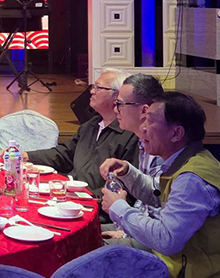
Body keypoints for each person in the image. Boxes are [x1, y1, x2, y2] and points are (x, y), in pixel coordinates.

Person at [101, 93, 220, 278]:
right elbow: (159, 195)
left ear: (176, 134)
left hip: (210, 271)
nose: (142, 127)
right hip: (189, 257)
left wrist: (119, 207)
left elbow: (166, 240)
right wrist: (128, 172)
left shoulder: (192, 179)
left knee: (93, 256)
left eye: (150, 121)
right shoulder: (195, 159)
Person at [24, 68, 138, 198]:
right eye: (93, 87)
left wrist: (85, 197)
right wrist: (27, 156)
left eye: (98, 88)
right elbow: (65, 154)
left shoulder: (130, 135)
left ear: (117, 96)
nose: (92, 91)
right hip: (71, 193)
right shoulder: (91, 125)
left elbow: (125, 187)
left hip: (95, 202)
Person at [99, 72, 168, 245]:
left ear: (144, 110)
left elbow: (162, 227)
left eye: (120, 104)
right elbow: (148, 200)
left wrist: (119, 210)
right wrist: (127, 171)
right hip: (140, 228)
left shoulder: (164, 149)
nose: (115, 110)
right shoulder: (144, 142)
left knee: (85, 247)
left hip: (158, 244)